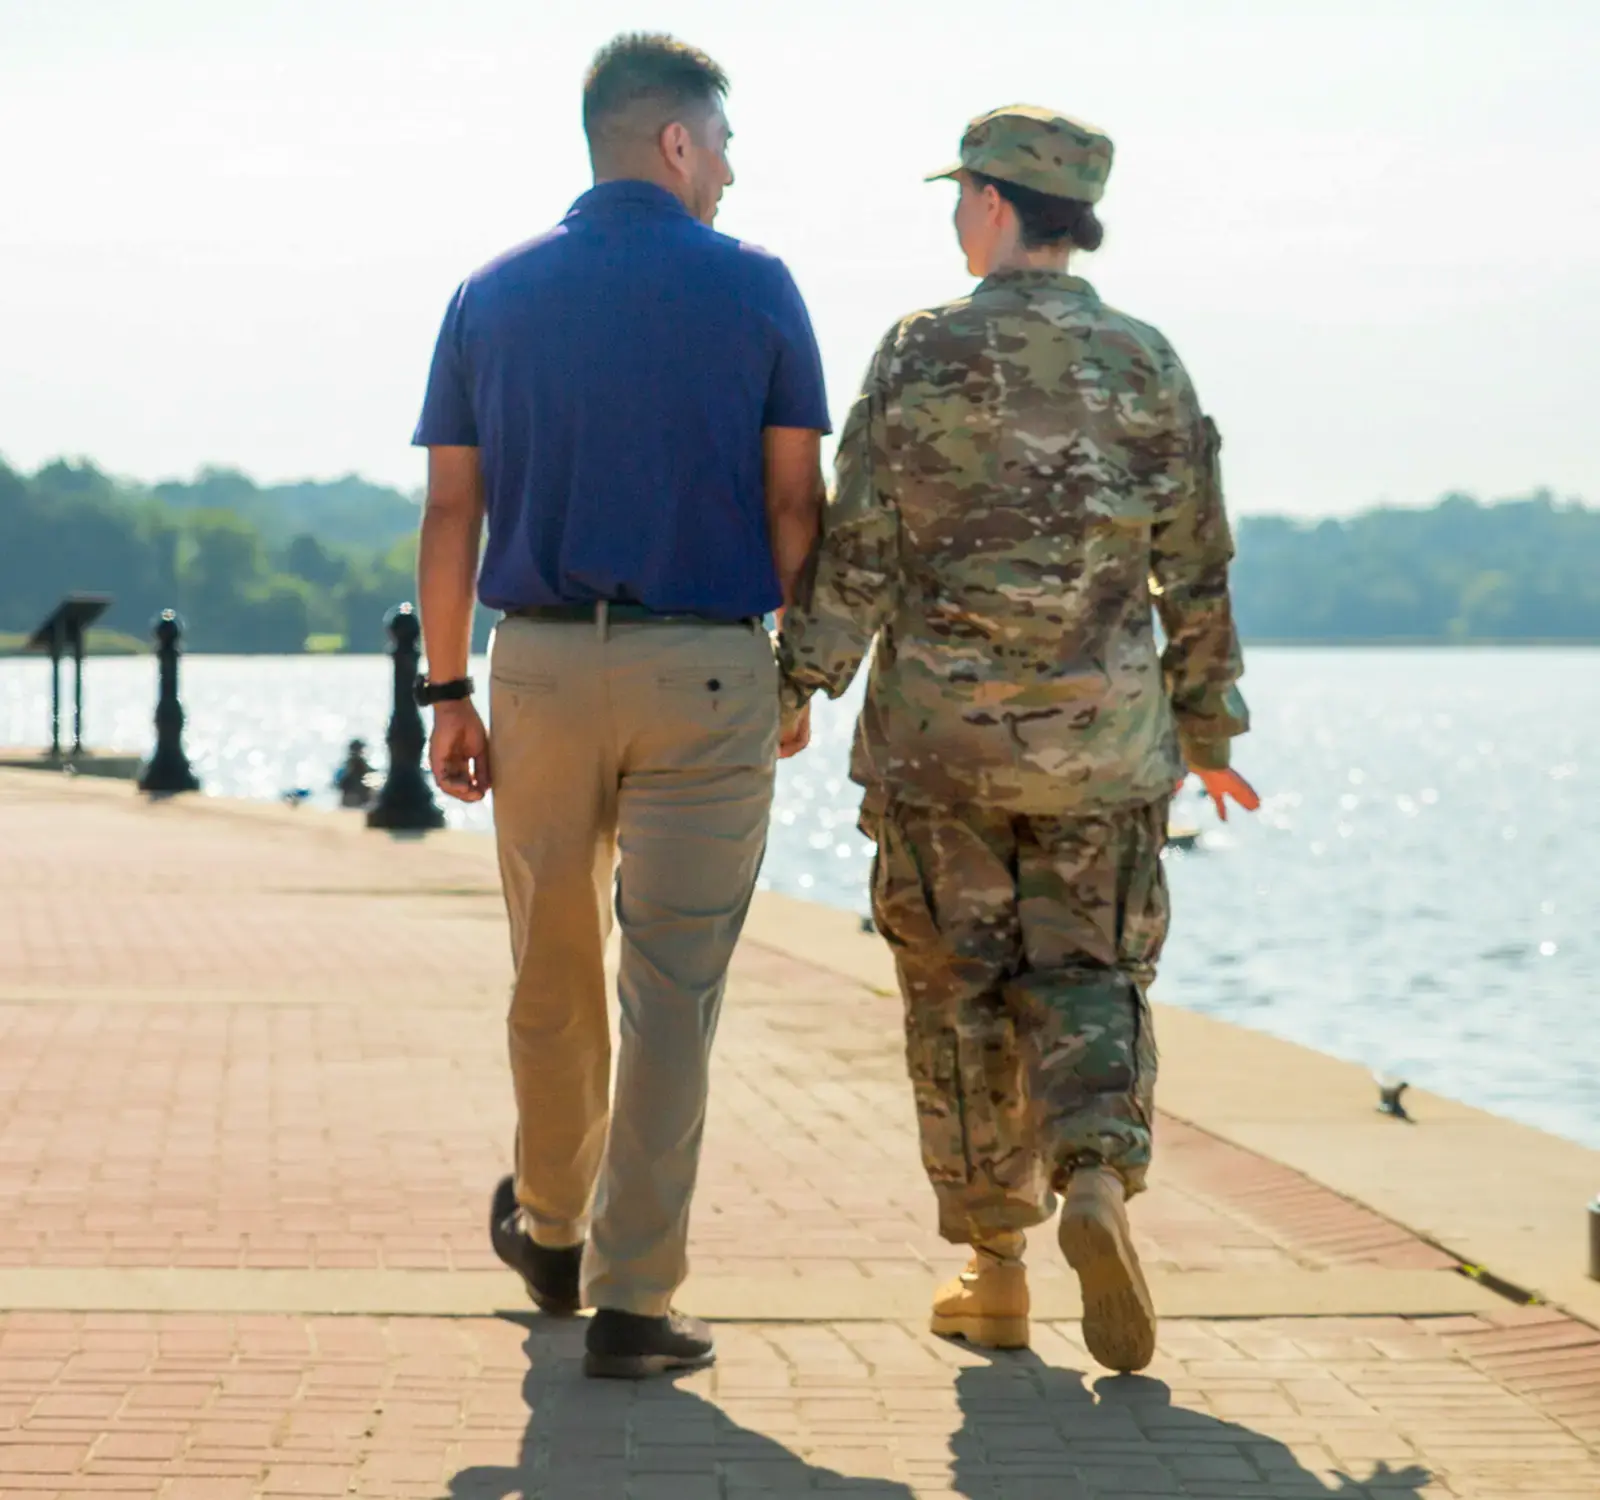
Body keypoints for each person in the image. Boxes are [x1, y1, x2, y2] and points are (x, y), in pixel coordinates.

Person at [777, 105, 1258, 1373]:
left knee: (959, 1000)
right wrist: (1206, 723)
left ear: (994, 204)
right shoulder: (1147, 362)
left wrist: (801, 679)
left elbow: (863, 544)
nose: (953, 215)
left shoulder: (922, 349)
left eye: (961, 194)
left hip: (941, 749)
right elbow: (1193, 567)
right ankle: (1096, 1173)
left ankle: (996, 1277)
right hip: (1105, 746)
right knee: (1094, 974)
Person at [410, 33, 828, 1379]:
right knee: (672, 993)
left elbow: (452, 510)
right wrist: (801, 672)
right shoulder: (759, 286)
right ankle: (638, 1304)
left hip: (533, 671)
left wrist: (446, 691)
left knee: (551, 969)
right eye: (722, 144)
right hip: (708, 668)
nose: (731, 172)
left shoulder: (489, 292)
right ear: (676, 144)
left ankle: (548, 1231)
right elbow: (791, 505)